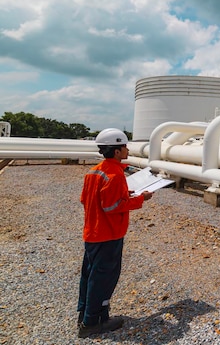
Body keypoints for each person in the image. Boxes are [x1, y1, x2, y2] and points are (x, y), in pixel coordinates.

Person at [77, 128, 153, 338]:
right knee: (104, 278)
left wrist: (123, 194)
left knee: (90, 276)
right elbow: (111, 207)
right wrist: (140, 199)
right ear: (117, 151)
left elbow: (87, 199)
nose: (128, 149)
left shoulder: (94, 171)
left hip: (92, 233)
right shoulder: (114, 174)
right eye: (125, 146)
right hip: (108, 235)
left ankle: (87, 314)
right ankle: (92, 323)